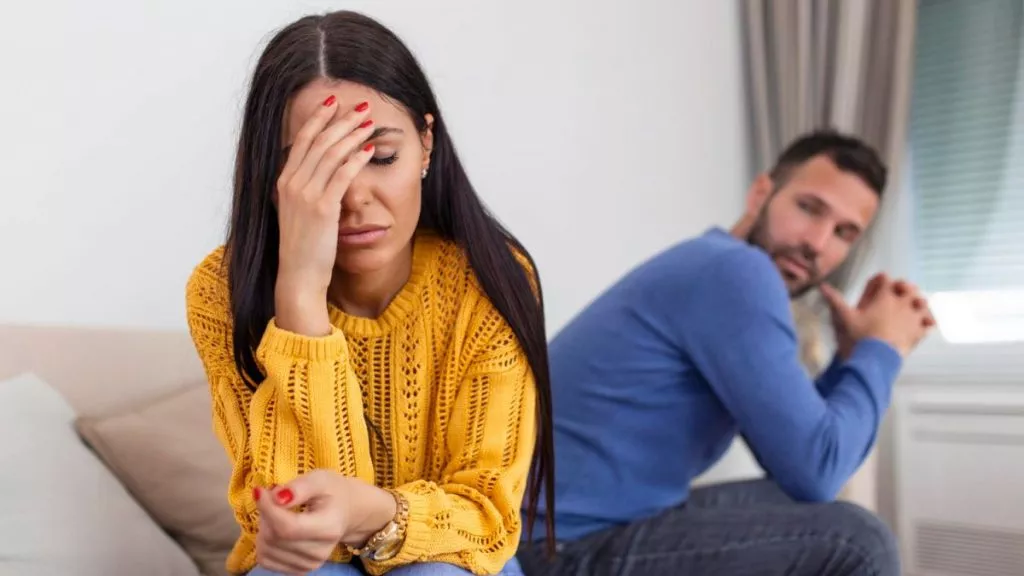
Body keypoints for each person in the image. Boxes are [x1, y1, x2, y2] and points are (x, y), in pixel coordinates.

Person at [185, 11, 556, 576]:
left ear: (426, 144)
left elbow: (487, 514)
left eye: (381, 157)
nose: (354, 197)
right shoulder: (220, 291)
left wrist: (376, 512)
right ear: (272, 174)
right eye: (317, 167)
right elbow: (299, 527)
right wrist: (301, 294)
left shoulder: (491, 278)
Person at [517, 130, 935, 576]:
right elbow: (817, 467)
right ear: (761, 193)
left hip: (600, 521)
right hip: (555, 548)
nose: (817, 242)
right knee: (858, 543)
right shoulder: (736, 271)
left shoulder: (714, 265)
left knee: (793, 501)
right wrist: (884, 348)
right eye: (809, 208)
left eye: (843, 233)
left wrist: (854, 358)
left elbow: (802, 460)